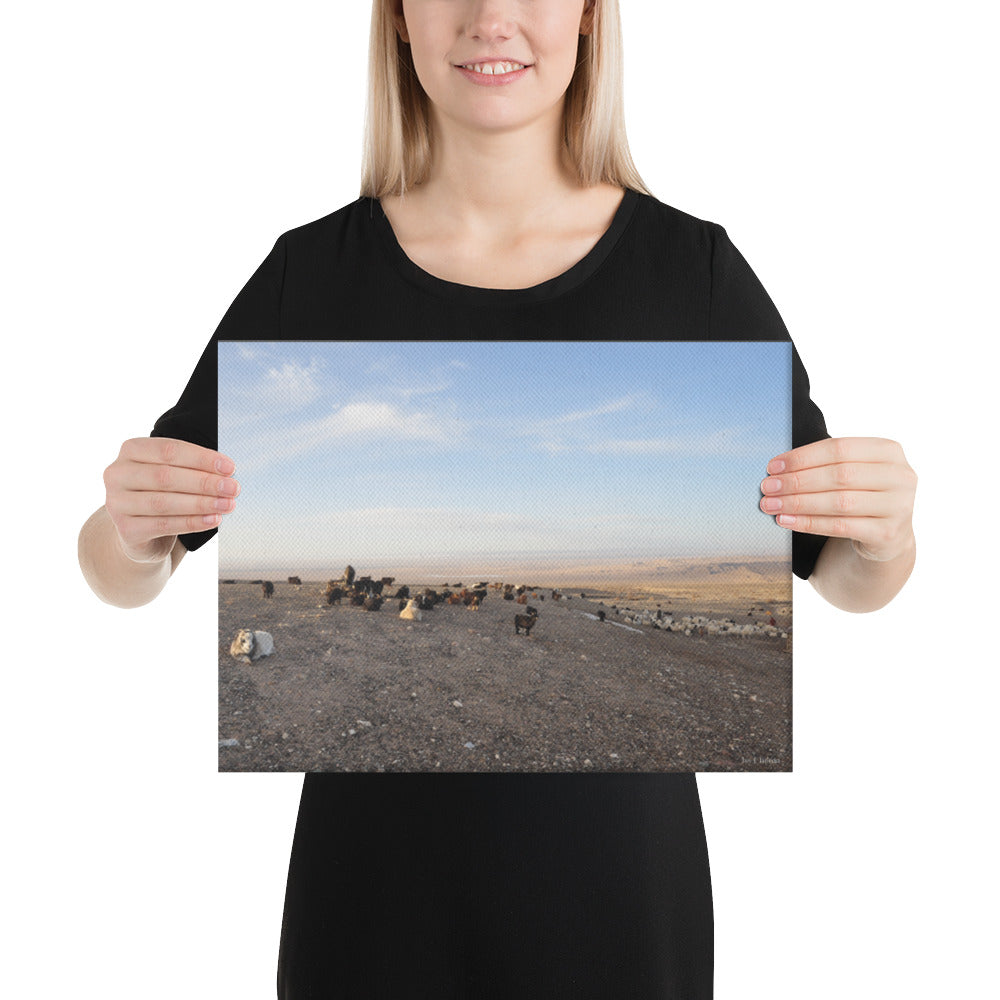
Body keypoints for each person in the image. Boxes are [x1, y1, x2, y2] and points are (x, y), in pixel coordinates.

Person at [77, 1, 917, 996]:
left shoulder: (693, 272)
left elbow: (846, 578)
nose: (491, 18)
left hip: (619, 897)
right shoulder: (310, 275)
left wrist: (885, 532)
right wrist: (130, 532)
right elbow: (120, 569)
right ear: (396, 19)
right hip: (369, 899)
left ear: (591, 18)